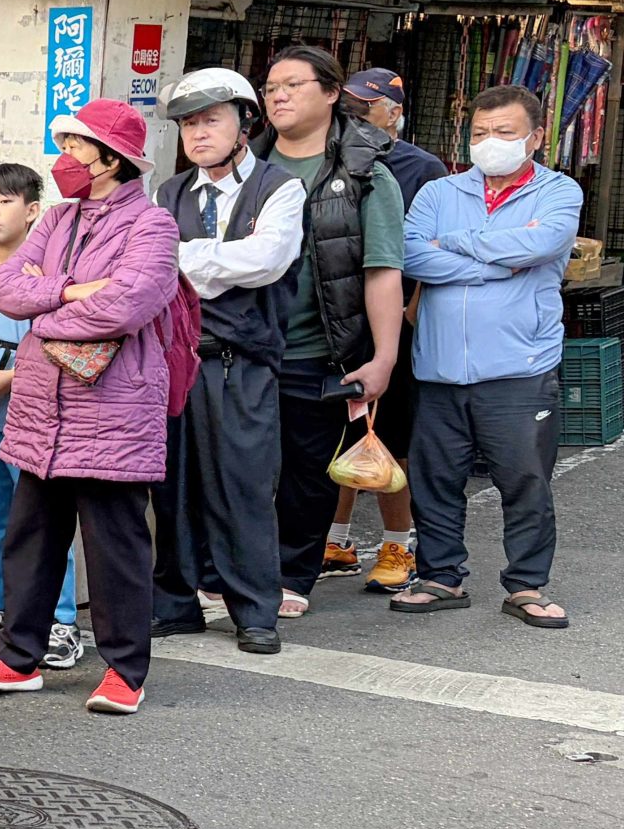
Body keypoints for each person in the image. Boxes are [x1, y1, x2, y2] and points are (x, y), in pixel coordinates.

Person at [0, 101, 179, 716]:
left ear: (111, 158)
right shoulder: (57, 218)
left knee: (115, 545)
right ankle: (18, 657)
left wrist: (44, 310)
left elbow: (128, 305)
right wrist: (72, 290)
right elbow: (6, 288)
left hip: (113, 408)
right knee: (30, 537)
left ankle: (125, 671)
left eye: (77, 146)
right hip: (42, 407)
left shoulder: (153, 225)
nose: (66, 158)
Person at [392, 85, 582, 626]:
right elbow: (410, 254)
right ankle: (440, 576)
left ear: (535, 138)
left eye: (504, 132)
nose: (489, 141)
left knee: (525, 481)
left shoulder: (559, 192)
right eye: (479, 132)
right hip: (439, 368)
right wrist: (495, 263)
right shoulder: (439, 192)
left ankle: (526, 584)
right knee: (434, 481)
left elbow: (540, 244)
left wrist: (452, 243)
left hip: (520, 369)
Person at [149, 69, 303, 655]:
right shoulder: (168, 193)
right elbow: (151, 268)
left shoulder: (280, 188)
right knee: (171, 487)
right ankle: (175, 603)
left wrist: (183, 258)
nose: (197, 133)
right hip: (176, 362)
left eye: (211, 120)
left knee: (243, 486)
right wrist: (211, 261)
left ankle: (255, 611)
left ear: (245, 123)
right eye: (189, 123)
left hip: (244, 363)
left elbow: (265, 261)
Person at [252, 45, 405, 618]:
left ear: (332, 92)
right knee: (236, 465)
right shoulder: (244, 166)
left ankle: (293, 574)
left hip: (318, 350)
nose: (279, 96)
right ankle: (227, 570)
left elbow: (382, 270)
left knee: (305, 470)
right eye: (271, 88)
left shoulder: (365, 173)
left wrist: (383, 357)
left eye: (293, 84)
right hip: (241, 346)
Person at [0, 162, 83, 669]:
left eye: (5, 202)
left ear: (32, 212)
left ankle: (61, 621)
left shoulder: (47, 281)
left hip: (32, 424)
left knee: (43, 525)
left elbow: (65, 347)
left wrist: (11, 378)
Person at [319, 67, 446, 591]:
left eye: (365, 105)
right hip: (335, 319)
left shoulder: (421, 167)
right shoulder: (327, 154)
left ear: (394, 113)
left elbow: (433, 246)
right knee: (337, 432)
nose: (353, 112)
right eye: (348, 103)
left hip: (390, 319)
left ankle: (398, 544)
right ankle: (336, 539)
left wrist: (411, 310)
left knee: (389, 436)